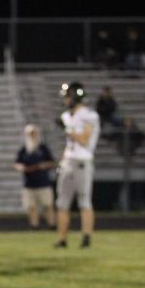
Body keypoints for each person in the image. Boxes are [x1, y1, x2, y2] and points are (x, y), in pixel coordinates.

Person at [54, 81, 99, 249]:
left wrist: (68, 130)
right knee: (62, 202)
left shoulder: (89, 115)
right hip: (69, 161)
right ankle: (62, 239)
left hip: (82, 161)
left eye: (67, 97)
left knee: (84, 200)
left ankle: (86, 237)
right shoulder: (67, 116)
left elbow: (84, 139)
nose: (65, 100)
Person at [14, 124, 56, 229]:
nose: (33, 136)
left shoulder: (43, 148)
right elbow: (17, 163)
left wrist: (42, 166)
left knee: (48, 205)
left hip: (43, 182)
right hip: (29, 183)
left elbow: (52, 162)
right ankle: (34, 225)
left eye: (34, 133)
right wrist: (21, 167)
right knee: (31, 206)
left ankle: (52, 224)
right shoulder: (24, 150)